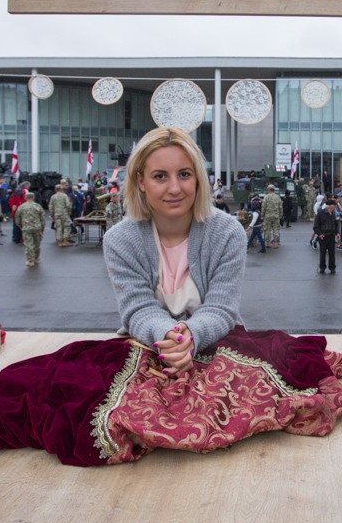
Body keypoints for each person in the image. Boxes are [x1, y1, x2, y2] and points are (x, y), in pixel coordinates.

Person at [103, 127, 247, 375]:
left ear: (198, 178)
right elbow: (138, 308)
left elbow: (222, 307)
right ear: (141, 181)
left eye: (184, 174)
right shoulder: (119, 240)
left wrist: (192, 335)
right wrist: (170, 337)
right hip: (151, 346)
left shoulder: (228, 233)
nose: (174, 188)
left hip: (218, 345)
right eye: (160, 176)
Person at [16, 190, 46, 268]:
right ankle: (36, 258)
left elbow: (17, 218)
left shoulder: (21, 207)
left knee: (29, 244)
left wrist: (20, 226)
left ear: (25, 197)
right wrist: (42, 227)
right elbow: (42, 218)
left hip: (26, 228)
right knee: (37, 244)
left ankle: (30, 260)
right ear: (33, 197)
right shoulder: (38, 206)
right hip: (37, 227)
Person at [313, 198, 340, 274]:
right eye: (334, 205)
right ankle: (322, 267)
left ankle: (332, 267)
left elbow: (336, 224)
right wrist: (320, 234)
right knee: (323, 253)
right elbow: (316, 226)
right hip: (323, 236)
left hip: (331, 236)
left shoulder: (334, 214)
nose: (335, 207)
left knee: (332, 253)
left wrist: (337, 233)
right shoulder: (321, 213)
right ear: (330, 206)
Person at [262, 184, 283, 248]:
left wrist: (262, 215)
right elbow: (280, 207)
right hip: (276, 215)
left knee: (267, 230)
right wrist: (280, 215)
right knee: (276, 229)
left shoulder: (266, 197)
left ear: (268, 189)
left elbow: (263, 207)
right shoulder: (277, 197)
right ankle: (276, 243)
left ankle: (268, 243)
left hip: (267, 215)